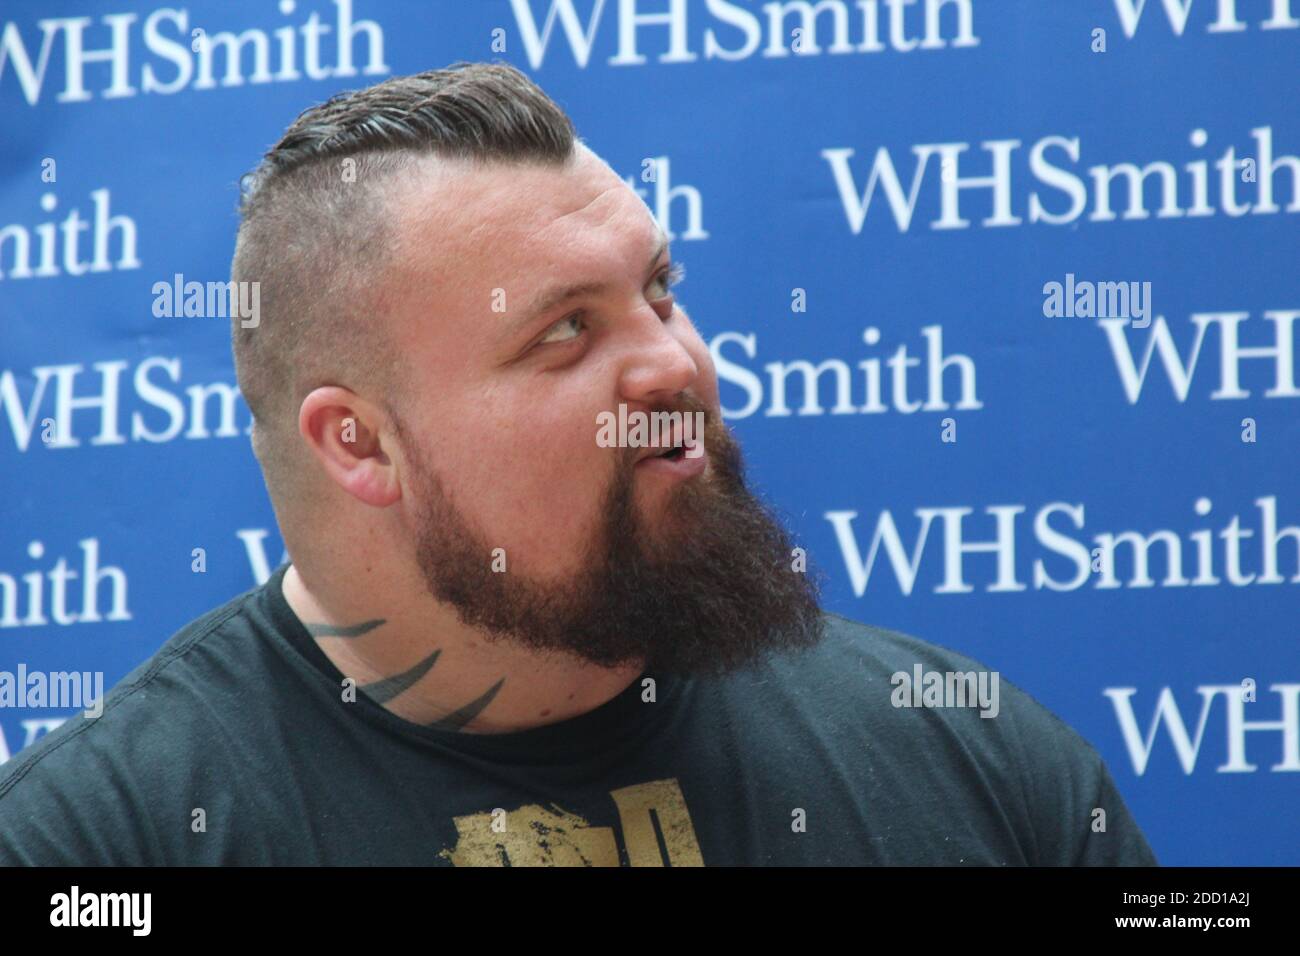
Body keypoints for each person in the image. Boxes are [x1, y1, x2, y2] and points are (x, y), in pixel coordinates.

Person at [0, 62, 1157, 866]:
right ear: (359, 443)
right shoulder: (104, 841)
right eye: (565, 331)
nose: (677, 365)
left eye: (660, 291)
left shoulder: (977, 762)